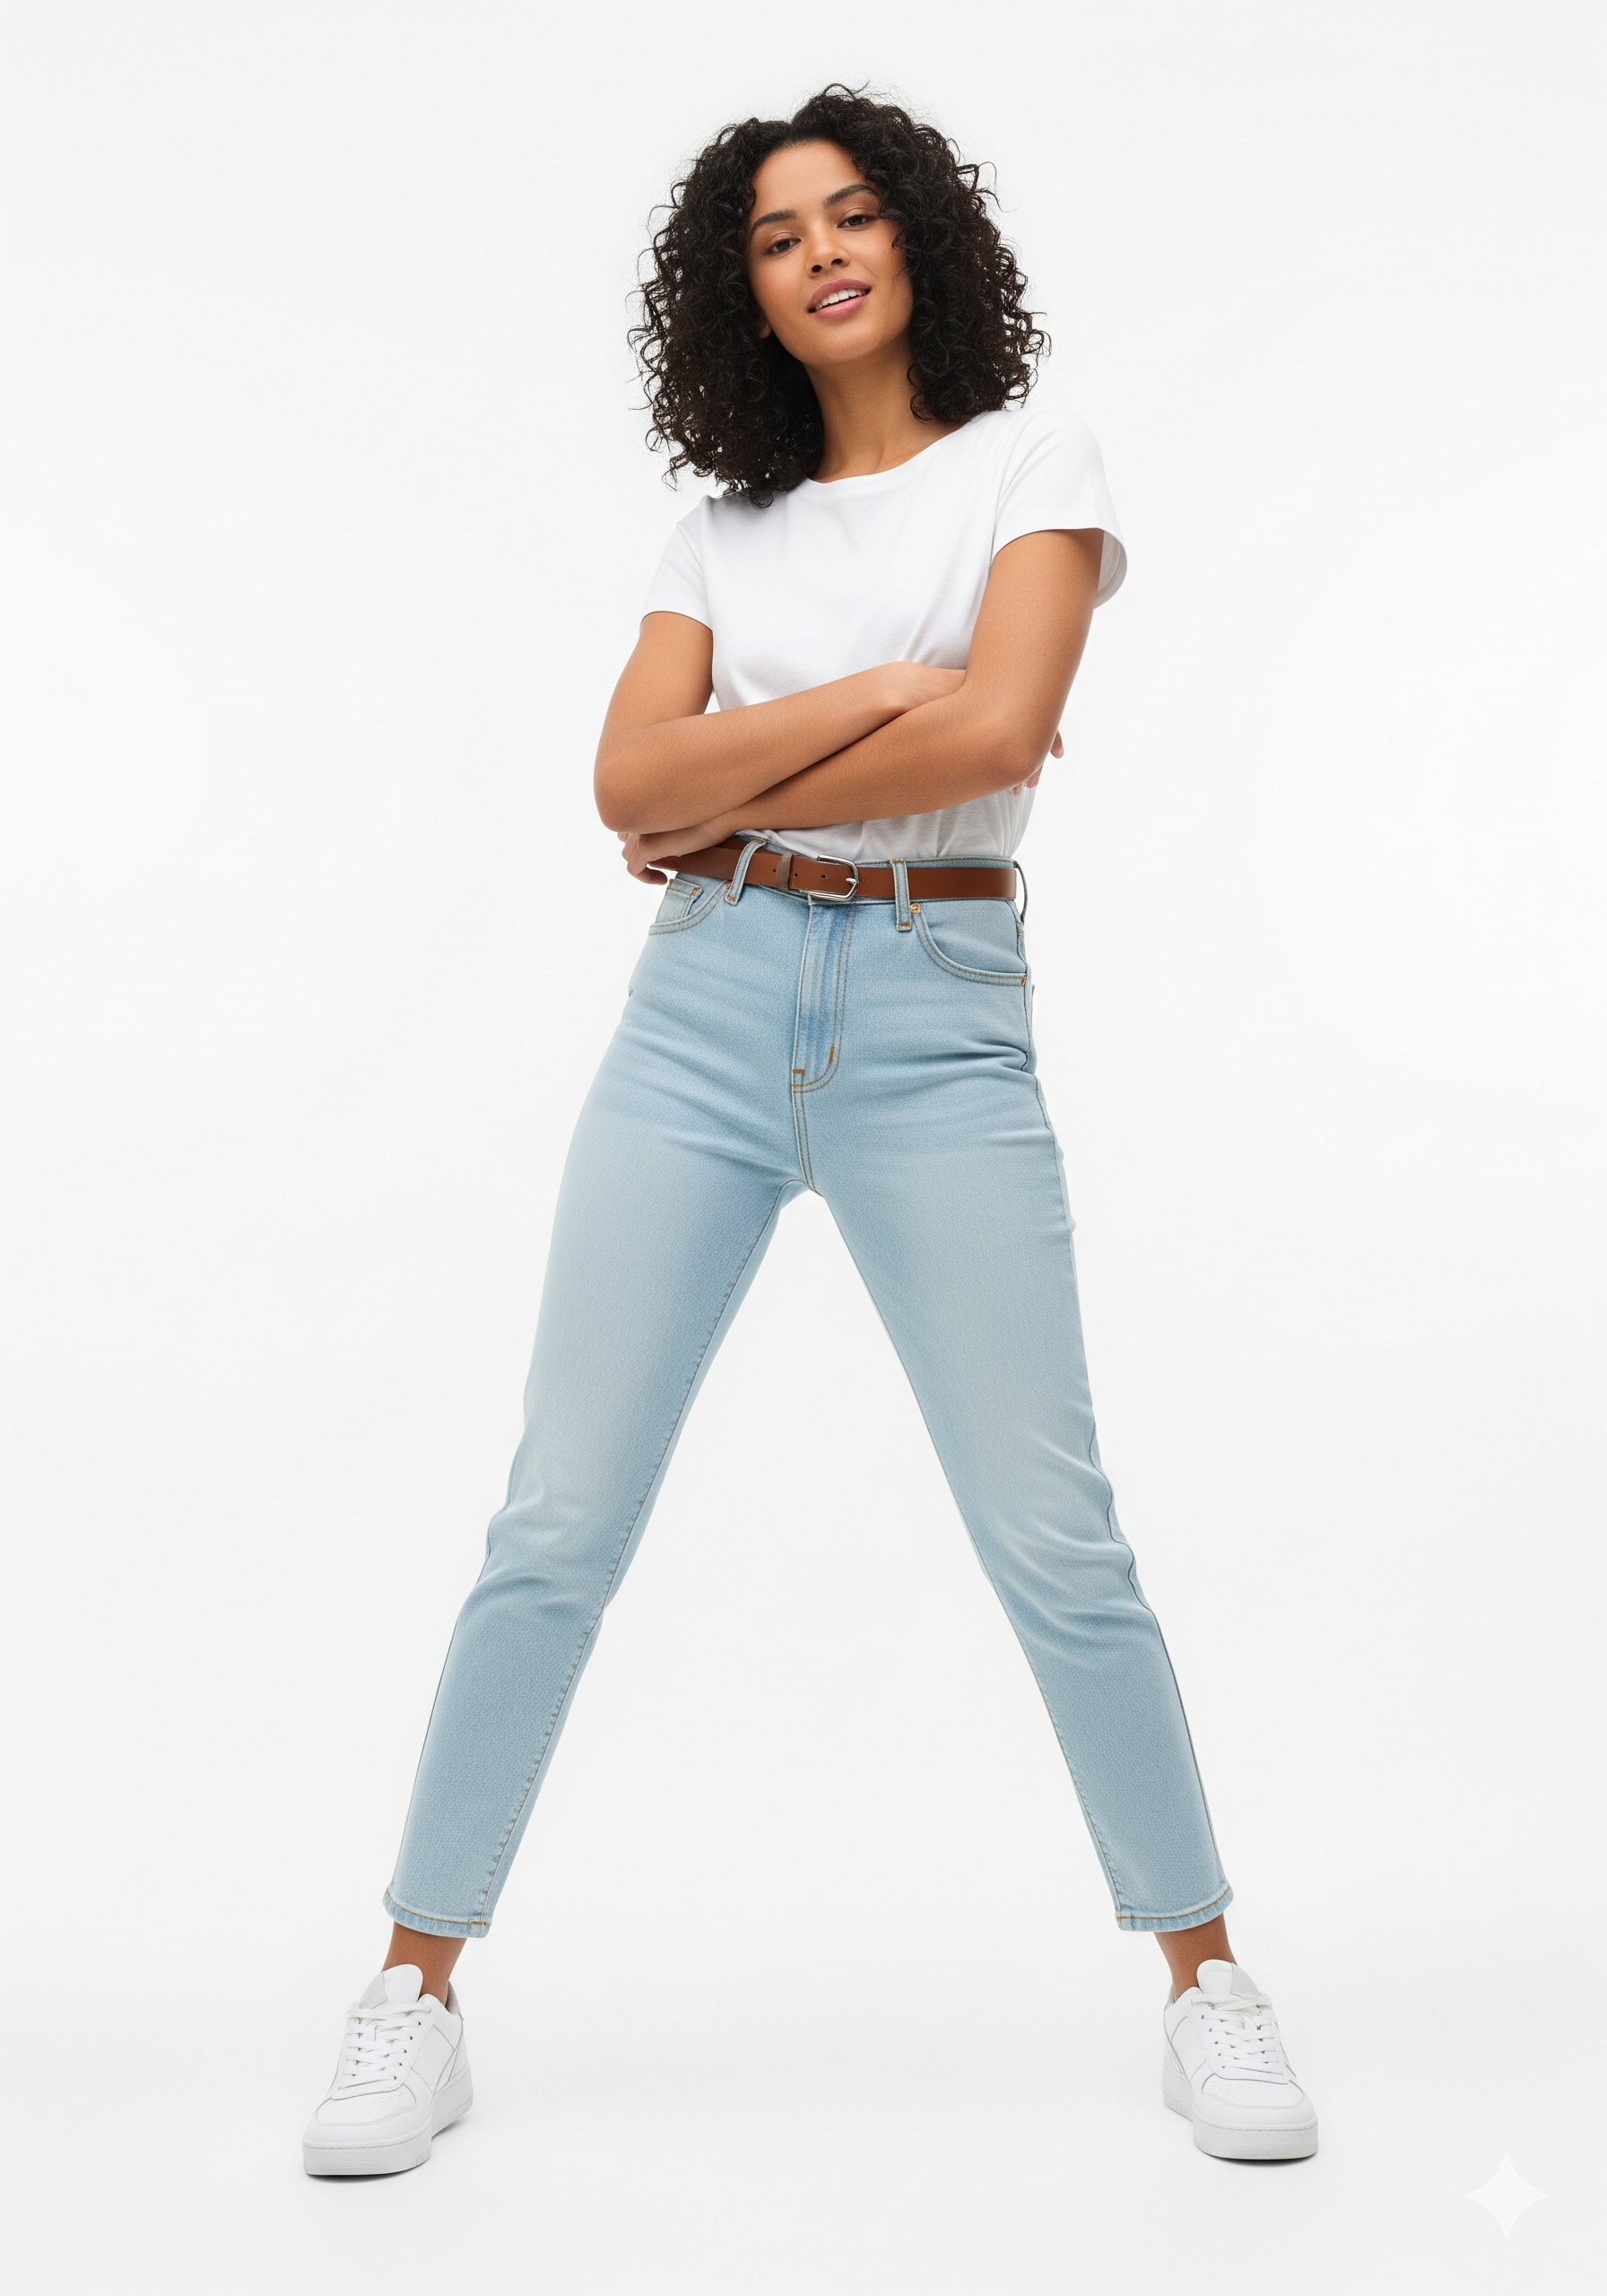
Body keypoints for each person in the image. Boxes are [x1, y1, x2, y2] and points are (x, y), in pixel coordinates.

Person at [302, 84, 1317, 2178]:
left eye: (852, 214)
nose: (823, 252)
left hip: (937, 1018)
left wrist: (737, 771)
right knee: (554, 1520)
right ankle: (413, 1989)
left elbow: (997, 727)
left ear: (917, 236)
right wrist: (876, 698)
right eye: (777, 237)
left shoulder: (1029, 462)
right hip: (695, 1011)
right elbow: (621, 786)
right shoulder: (717, 535)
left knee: (1053, 1534)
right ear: (740, 295)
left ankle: (1202, 1972)